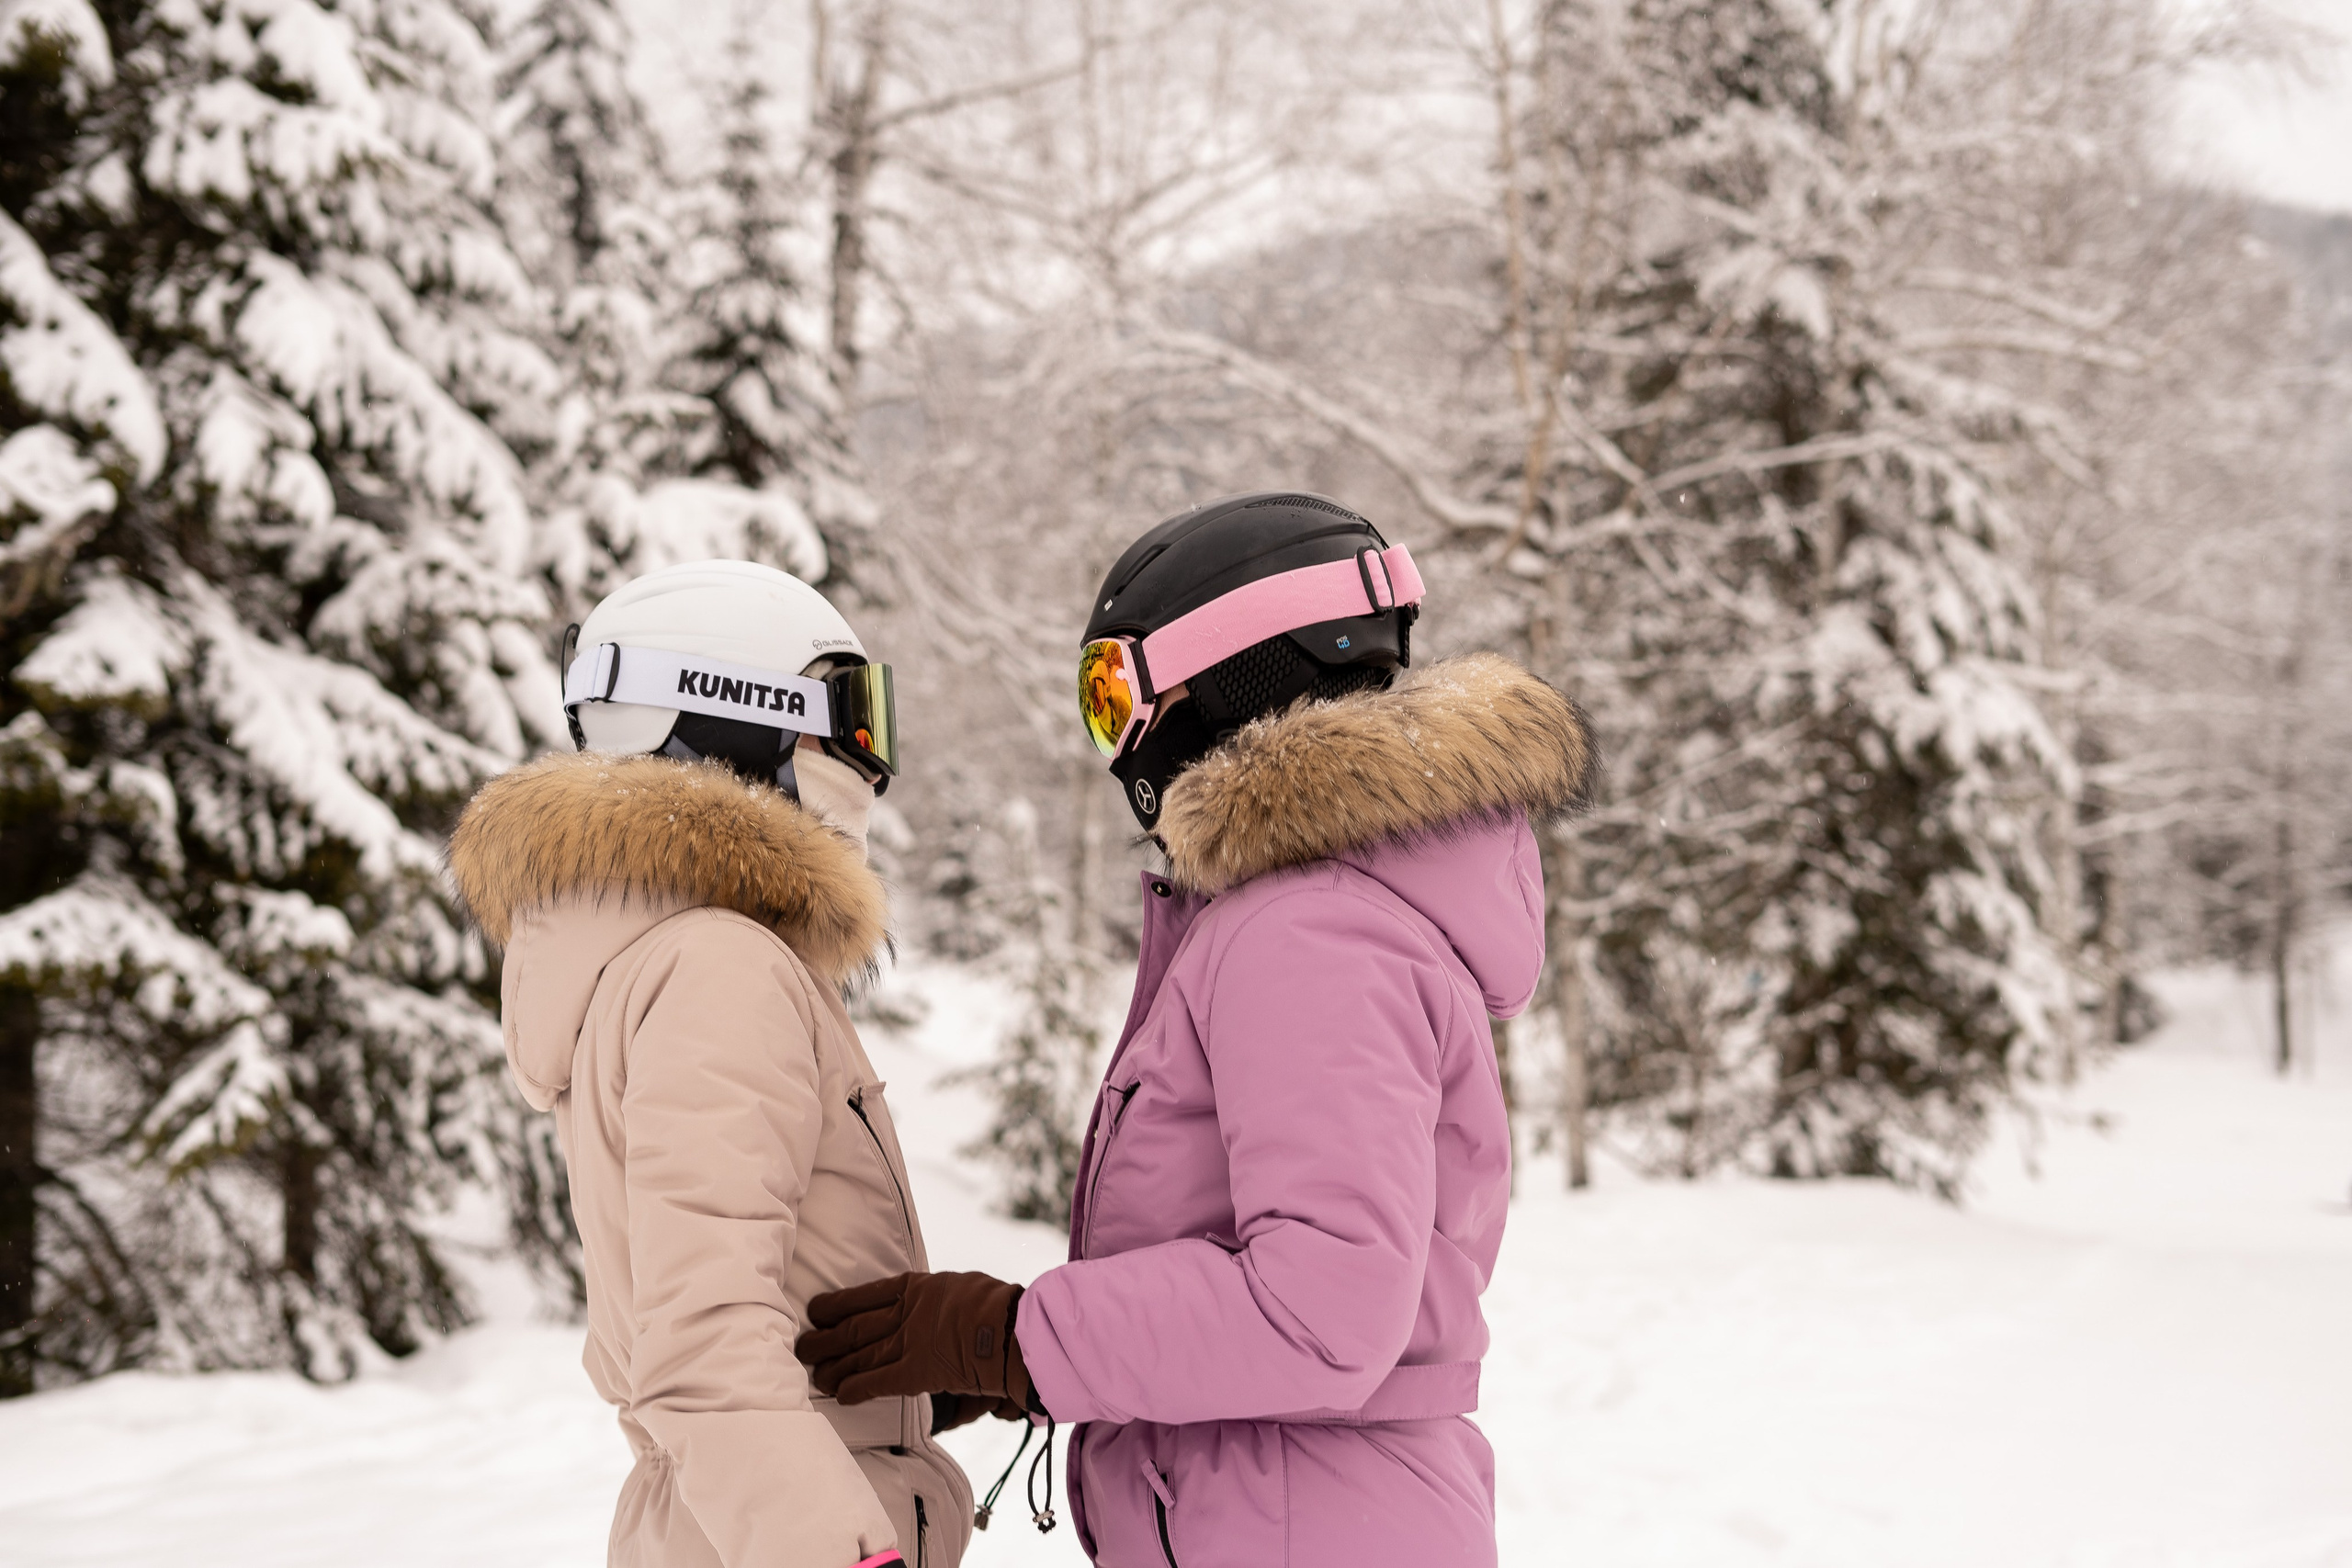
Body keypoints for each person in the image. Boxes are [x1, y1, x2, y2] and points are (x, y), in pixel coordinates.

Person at [795, 494, 1596, 1566]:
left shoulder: (1310, 931)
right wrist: (1024, 1358)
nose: (1115, 738)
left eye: (1116, 693)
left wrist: (1018, 1338)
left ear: (1236, 673)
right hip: (1302, 1511)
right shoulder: (1322, 913)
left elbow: (1321, 1309)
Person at [448, 559, 979, 1568]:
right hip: (784, 1536)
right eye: (847, 717)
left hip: (733, 1519)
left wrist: (917, 1385)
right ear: (738, 716)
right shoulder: (718, 966)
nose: (870, 763)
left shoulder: (665, 957)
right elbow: (704, 1347)